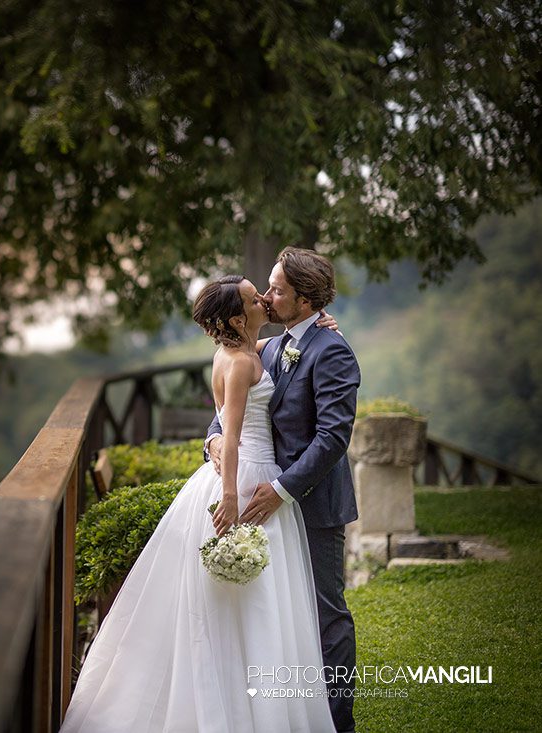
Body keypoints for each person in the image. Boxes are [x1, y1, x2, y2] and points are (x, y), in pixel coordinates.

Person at [60, 274, 335, 732]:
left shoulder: (248, 352)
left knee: (249, 603)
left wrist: (323, 324)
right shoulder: (243, 362)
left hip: (249, 475)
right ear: (235, 316)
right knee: (255, 603)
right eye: (254, 298)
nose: (264, 300)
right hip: (248, 480)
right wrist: (229, 494)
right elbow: (229, 435)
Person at [206, 247, 360, 732]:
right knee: (276, 617)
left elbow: (333, 435)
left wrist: (282, 490)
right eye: (268, 288)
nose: (269, 297)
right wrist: (211, 440)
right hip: (263, 506)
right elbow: (231, 413)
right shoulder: (268, 348)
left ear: (306, 299)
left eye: (278, 290)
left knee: (325, 615)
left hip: (310, 505)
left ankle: (337, 723)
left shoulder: (331, 349)